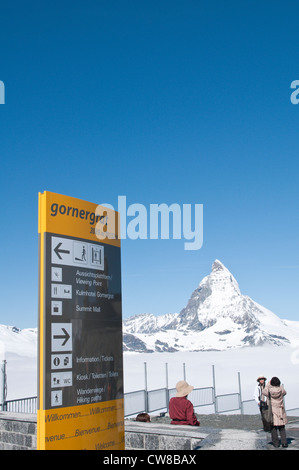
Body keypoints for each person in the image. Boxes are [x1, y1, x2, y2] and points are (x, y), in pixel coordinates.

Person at [262, 377, 288, 448]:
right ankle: (284, 442)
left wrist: (268, 385)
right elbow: (284, 393)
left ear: (271, 383)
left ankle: (276, 443)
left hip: (272, 411)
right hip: (280, 410)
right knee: (282, 427)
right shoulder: (281, 389)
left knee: (273, 428)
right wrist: (279, 386)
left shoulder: (269, 390)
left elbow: (263, 392)